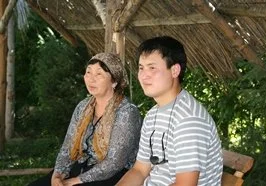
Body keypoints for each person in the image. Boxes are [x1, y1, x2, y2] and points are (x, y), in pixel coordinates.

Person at [117, 36, 223, 186]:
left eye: (152, 68)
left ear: (174, 70)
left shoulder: (189, 119)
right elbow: (140, 170)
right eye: (141, 68)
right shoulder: (153, 114)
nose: (144, 75)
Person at [28, 53, 142, 186]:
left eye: (99, 74)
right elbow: (68, 147)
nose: (91, 79)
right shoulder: (83, 106)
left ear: (114, 81)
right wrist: (57, 175)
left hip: (112, 175)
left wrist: (74, 181)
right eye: (88, 72)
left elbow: (115, 162)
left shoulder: (127, 112)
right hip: (82, 165)